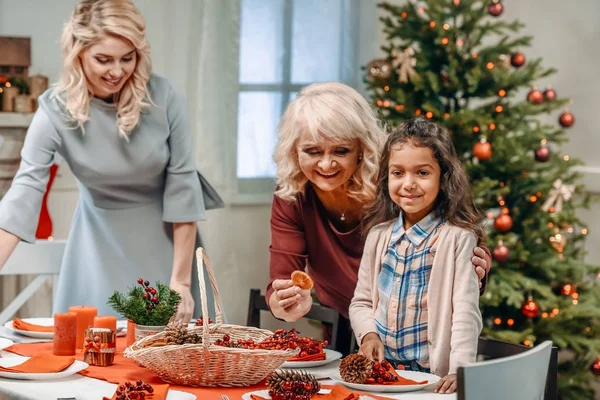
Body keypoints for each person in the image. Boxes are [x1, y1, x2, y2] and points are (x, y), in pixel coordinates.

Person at [0, 0, 222, 323]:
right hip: (94, 253)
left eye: (127, 58)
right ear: (78, 53)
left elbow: (184, 187)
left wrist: (182, 281)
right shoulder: (54, 110)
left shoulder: (164, 98)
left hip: (169, 252)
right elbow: (22, 195)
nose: (117, 71)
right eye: (103, 59)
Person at [266, 82, 489, 345]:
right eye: (312, 151)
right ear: (294, 149)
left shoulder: (395, 184)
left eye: (341, 150)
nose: (326, 164)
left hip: (416, 332)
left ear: (362, 147)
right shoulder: (293, 196)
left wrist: (478, 268)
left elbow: (456, 239)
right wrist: (285, 303)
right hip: (345, 325)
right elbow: (280, 282)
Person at [349, 117, 483, 394]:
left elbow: (465, 312)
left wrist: (460, 370)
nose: (408, 183)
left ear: (443, 178)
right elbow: (361, 301)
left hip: (431, 380)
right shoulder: (378, 236)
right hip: (383, 373)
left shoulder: (458, 239)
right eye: (398, 173)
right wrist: (368, 335)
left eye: (422, 173)